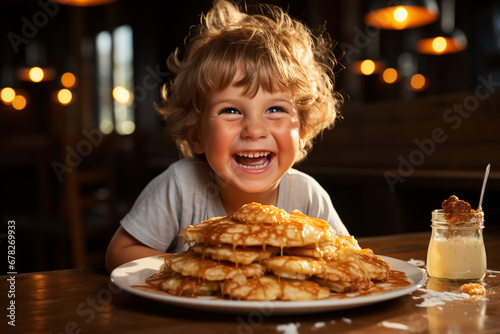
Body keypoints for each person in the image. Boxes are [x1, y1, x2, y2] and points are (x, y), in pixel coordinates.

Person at [105, 0, 348, 272]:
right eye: (230, 110)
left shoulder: (307, 195)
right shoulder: (181, 187)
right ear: (196, 134)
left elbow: (345, 258)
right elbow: (119, 252)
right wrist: (200, 267)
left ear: (301, 132)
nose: (254, 130)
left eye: (275, 109)